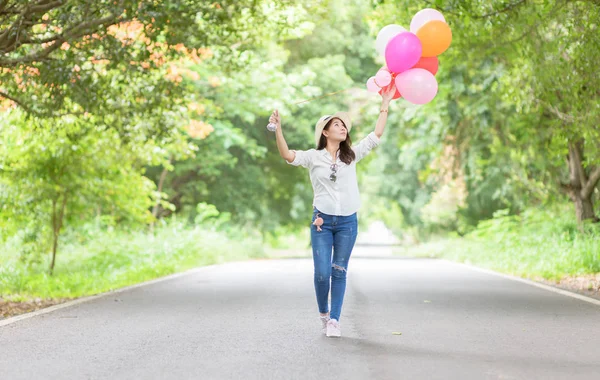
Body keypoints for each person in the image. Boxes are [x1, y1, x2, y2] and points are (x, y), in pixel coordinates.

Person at [270, 84, 396, 337]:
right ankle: (324, 314)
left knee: (339, 270)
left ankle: (335, 321)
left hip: (348, 222)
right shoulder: (313, 157)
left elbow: (376, 135)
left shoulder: (352, 155)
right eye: (336, 124)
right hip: (322, 222)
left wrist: (385, 103)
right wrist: (278, 129)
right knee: (322, 273)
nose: (342, 127)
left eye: (344, 125)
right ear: (325, 132)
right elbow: (287, 155)